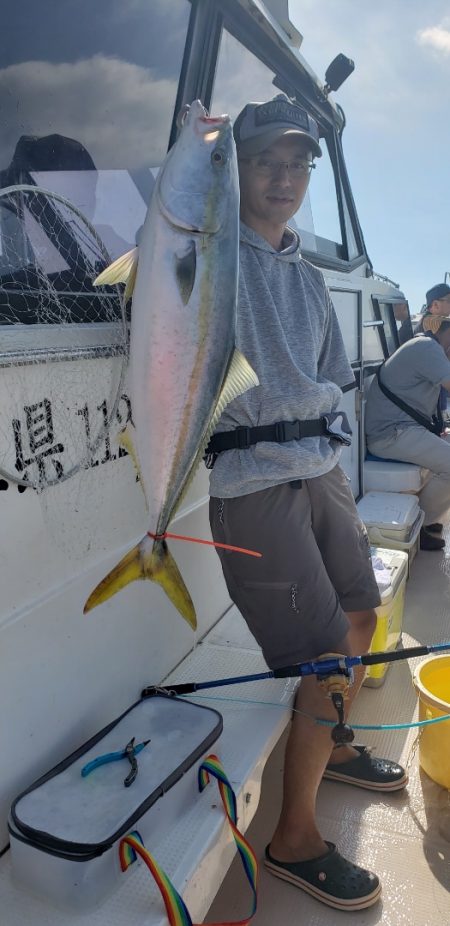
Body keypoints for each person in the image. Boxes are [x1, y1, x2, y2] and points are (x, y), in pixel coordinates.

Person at [207, 94, 407, 913]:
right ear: (236, 171)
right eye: (265, 162)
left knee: (362, 612)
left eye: (298, 164)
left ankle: (332, 737)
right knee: (325, 652)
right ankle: (293, 838)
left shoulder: (306, 273)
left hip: (320, 469)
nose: (284, 178)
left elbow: (326, 370)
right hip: (253, 484)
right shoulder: (212, 256)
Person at [366, 314, 450, 550]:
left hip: (402, 430)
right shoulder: (427, 347)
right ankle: (417, 524)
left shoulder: (427, 346)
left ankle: (428, 516)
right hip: (390, 434)